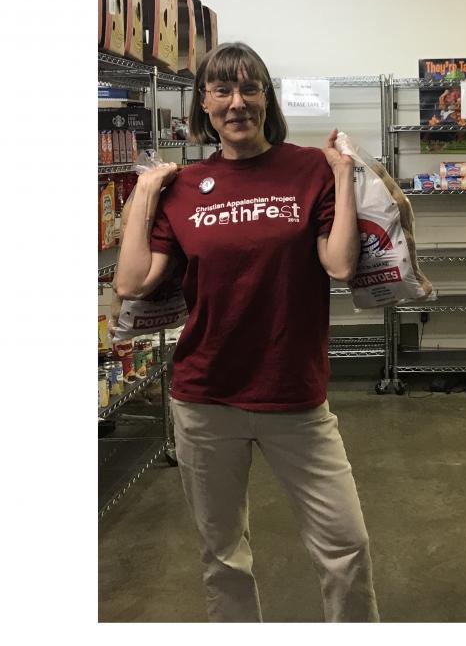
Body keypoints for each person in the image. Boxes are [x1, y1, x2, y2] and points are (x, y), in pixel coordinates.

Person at [114, 42, 379, 623]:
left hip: (295, 394)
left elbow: (338, 265)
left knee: (346, 545)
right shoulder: (184, 186)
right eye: (222, 90)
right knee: (223, 556)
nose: (237, 102)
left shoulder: (307, 169)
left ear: (266, 98)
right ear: (203, 106)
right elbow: (133, 282)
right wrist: (144, 196)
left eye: (250, 88)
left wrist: (339, 173)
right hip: (206, 397)